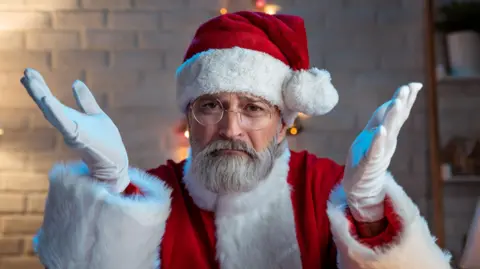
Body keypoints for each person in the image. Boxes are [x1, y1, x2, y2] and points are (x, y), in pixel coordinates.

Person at [21, 11, 451, 269]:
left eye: (253, 108)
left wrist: (371, 208)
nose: (230, 128)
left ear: (283, 123)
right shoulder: (147, 194)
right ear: (188, 117)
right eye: (210, 106)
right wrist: (108, 189)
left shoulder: (332, 190)